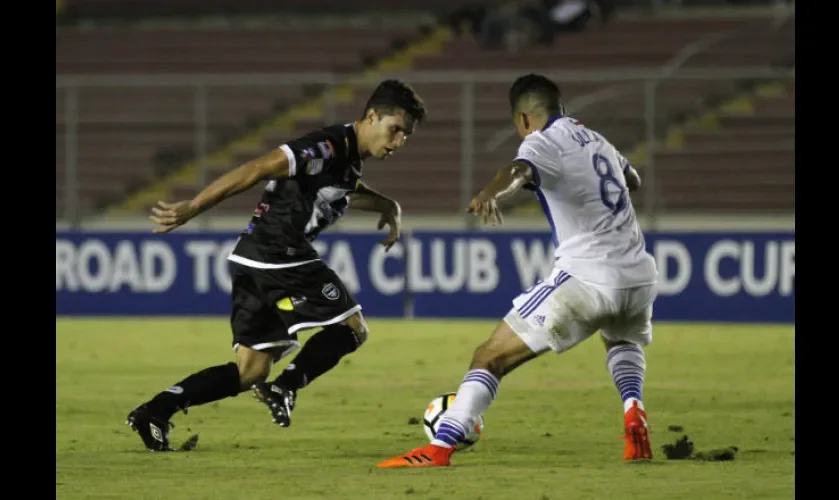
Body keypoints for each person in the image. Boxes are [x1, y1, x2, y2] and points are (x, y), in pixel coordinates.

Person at [126, 79, 427, 452]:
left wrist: (389, 207)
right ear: (371, 116)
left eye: (406, 136)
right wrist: (195, 206)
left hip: (253, 260)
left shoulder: (347, 164)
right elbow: (258, 167)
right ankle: (286, 388)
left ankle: (155, 411)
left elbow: (344, 189)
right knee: (353, 328)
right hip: (279, 255)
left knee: (251, 371)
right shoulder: (329, 146)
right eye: (395, 129)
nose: (398, 142)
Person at [377, 73, 657, 468]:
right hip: (640, 277)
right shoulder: (597, 140)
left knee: (488, 358)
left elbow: (518, 171)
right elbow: (633, 179)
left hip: (587, 277)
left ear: (524, 119)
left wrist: (491, 192)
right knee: (622, 342)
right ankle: (634, 411)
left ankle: (438, 448)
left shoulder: (543, 141)